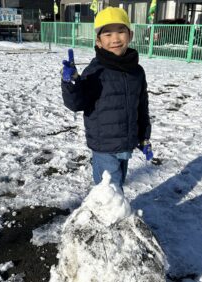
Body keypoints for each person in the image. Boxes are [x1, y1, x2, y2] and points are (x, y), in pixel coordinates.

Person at [61, 7, 153, 189]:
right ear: (99, 41)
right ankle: (107, 217)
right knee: (110, 191)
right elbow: (76, 103)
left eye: (121, 31)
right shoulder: (96, 71)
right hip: (104, 145)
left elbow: (141, 106)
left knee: (117, 185)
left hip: (127, 143)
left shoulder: (136, 71)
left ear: (130, 35)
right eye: (108, 34)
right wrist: (72, 83)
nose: (115, 39)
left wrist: (143, 137)